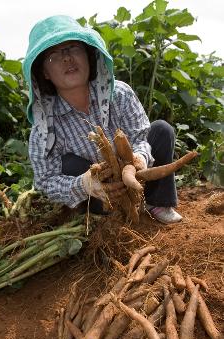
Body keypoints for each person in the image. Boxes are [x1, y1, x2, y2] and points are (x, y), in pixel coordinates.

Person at [22, 15, 182, 224]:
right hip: (100, 196)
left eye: (73, 49)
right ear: (44, 73)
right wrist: (85, 185)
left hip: (138, 179)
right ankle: (106, 214)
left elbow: (140, 137)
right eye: (54, 55)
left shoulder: (120, 94)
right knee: (69, 164)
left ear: (89, 56)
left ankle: (155, 202)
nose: (67, 59)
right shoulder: (44, 127)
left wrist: (138, 161)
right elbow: (46, 182)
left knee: (161, 130)